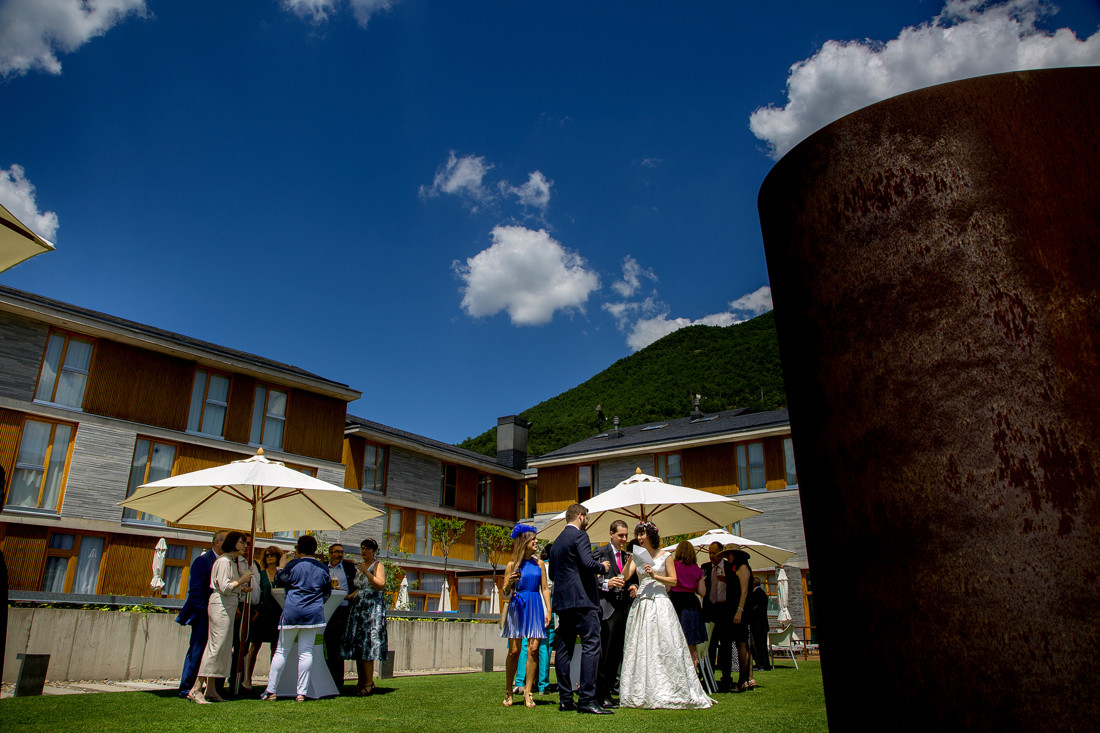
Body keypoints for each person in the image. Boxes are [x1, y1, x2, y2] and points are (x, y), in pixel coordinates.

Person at [618, 522, 713, 709]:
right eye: (638, 535)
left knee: (664, 643)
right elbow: (625, 575)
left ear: (651, 535)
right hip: (642, 602)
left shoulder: (666, 556)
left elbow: (674, 580)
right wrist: (631, 559)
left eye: (642, 534)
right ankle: (641, 689)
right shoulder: (637, 556)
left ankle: (669, 686)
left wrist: (655, 576)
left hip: (660, 601)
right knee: (643, 644)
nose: (639, 538)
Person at [549, 503, 613, 715]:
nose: (588, 521)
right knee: (591, 644)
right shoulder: (580, 537)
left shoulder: (557, 541)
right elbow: (587, 563)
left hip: (563, 602)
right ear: (580, 516)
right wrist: (601, 567)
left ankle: (566, 699)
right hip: (583, 600)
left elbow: (552, 575)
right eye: (587, 517)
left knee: (564, 647)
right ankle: (587, 698)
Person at [262, 534, 332, 702]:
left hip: (292, 611)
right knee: (306, 652)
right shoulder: (323, 568)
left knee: (281, 650)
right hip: (313, 613)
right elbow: (327, 591)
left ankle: (271, 690)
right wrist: (317, 603)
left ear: (298, 549)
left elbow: (279, 580)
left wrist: (281, 565)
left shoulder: (293, 565)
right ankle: (302, 692)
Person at [188, 531, 252, 703]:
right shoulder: (224, 561)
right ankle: (196, 688)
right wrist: (242, 580)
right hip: (221, 606)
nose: (245, 546)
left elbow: (227, 586)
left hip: (227, 605)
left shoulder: (229, 561)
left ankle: (210, 689)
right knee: (216, 647)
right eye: (242, 542)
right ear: (233, 543)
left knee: (222, 648)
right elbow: (224, 586)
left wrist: (240, 588)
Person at [499, 523, 550, 708]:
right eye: (533, 539)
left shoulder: (540, 564)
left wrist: (548, 610)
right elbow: (504, 591)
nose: (536, 542)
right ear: (524, 542)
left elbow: (544, 588)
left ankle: (528, 692)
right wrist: (510, 583)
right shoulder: (512, 564)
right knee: (514, 651)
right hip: (517, 607)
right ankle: (508, 688)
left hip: (536, 606)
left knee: (534, 649)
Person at [593, 519, 638, 707]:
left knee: (617, 653)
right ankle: (599, 693)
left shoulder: (629, 556)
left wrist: (634, 586)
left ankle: (610, 691)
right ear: (611, 534)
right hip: (606, 609)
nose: (624, 539)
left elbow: (634, 578)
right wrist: (607, 583)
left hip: (623, 608)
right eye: (621, 535)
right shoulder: (600, 552)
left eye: (626, 535)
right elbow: (589, 578)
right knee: (604, 653)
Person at [176, 530, 225, 698]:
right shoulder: (202, 562)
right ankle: (187, 687)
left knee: (218, 651)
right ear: (217, 542)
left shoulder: (228, 563)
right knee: (197, 649)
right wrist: (205, 611)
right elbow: (195, 590)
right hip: (204, 614)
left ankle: (214, 687)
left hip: (221, 614)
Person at [341, 538, 388, 696]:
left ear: (374, 551)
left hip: (371, 609)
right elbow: (360, 587)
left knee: (368, 645)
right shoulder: (359, 567)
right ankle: (361, 680)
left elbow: (380, 585)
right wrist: (349, 596)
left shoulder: (377, 565)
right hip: (358, 608)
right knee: (359, 645)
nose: (364, 551)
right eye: (362, 548)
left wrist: (367, 572)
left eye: (368, 549)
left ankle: (369, 682)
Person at [512, 541, 555, 695]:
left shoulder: (537, 564)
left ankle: (520, 681)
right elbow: (546, 589)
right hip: (541, 605)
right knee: (543, 647)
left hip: (530, 604)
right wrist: (550, 610)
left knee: (527, 645)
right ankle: (543, 684)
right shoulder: (545, 567)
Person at [243, 545, 283, 690]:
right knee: (255, 646)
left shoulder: (282, 574)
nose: (270, 557)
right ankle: (248, 679)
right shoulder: (261, 574)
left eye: (272, 554)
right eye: (267, 555)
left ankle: (272, 680)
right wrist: (256, 611)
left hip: (278, 613)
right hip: (262, 612)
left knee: (275, 647)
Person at [323, 543, 357, 693]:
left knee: (338, 647)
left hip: (343, 610)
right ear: (330, 554)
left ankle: (338, 682)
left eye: (342, 552)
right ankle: (325, 679)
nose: (340, 555)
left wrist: (351, 596)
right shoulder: (323, 568)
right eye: (337, 552)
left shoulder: (349, 568)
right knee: (327, 646)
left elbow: (359, 585)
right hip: (325, 611)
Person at [669, 540, 708, 667]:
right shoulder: (697, 570)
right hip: (692, 605)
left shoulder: (673, 566)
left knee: (675, 642)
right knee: (692, 645)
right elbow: (702, 592)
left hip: (676, 604)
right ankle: (693, 678)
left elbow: (668, 588)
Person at [702, 540, 735, 691]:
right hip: (710, 610)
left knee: (726, 645)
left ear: (721, 553)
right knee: (710, 645)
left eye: (714, 553)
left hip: (725, 610)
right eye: (709, 553)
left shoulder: (729, 568)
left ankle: (726, 677)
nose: (711, 556)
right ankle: (709, 676)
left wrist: (727, 581)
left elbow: (736, 589)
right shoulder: (705, 568)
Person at [725, 545, 754, 693]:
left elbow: (744, 591)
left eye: (728, 554)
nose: (727, 558)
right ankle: (747, 679)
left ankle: (743, 680)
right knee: (741, 644)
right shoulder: (735, 568)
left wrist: (739, 610)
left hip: (740, 611)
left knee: (741, 644)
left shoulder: (742, 568)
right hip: (736, 610)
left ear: (734, 554)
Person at [747, 574, 772, 679]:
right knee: (761, 646)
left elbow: (756, 608)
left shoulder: (758, 594)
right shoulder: (762, 593)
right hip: (762, 625)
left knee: (760, 645)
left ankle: (763, 664)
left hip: (759, 625)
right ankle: (763, 663)